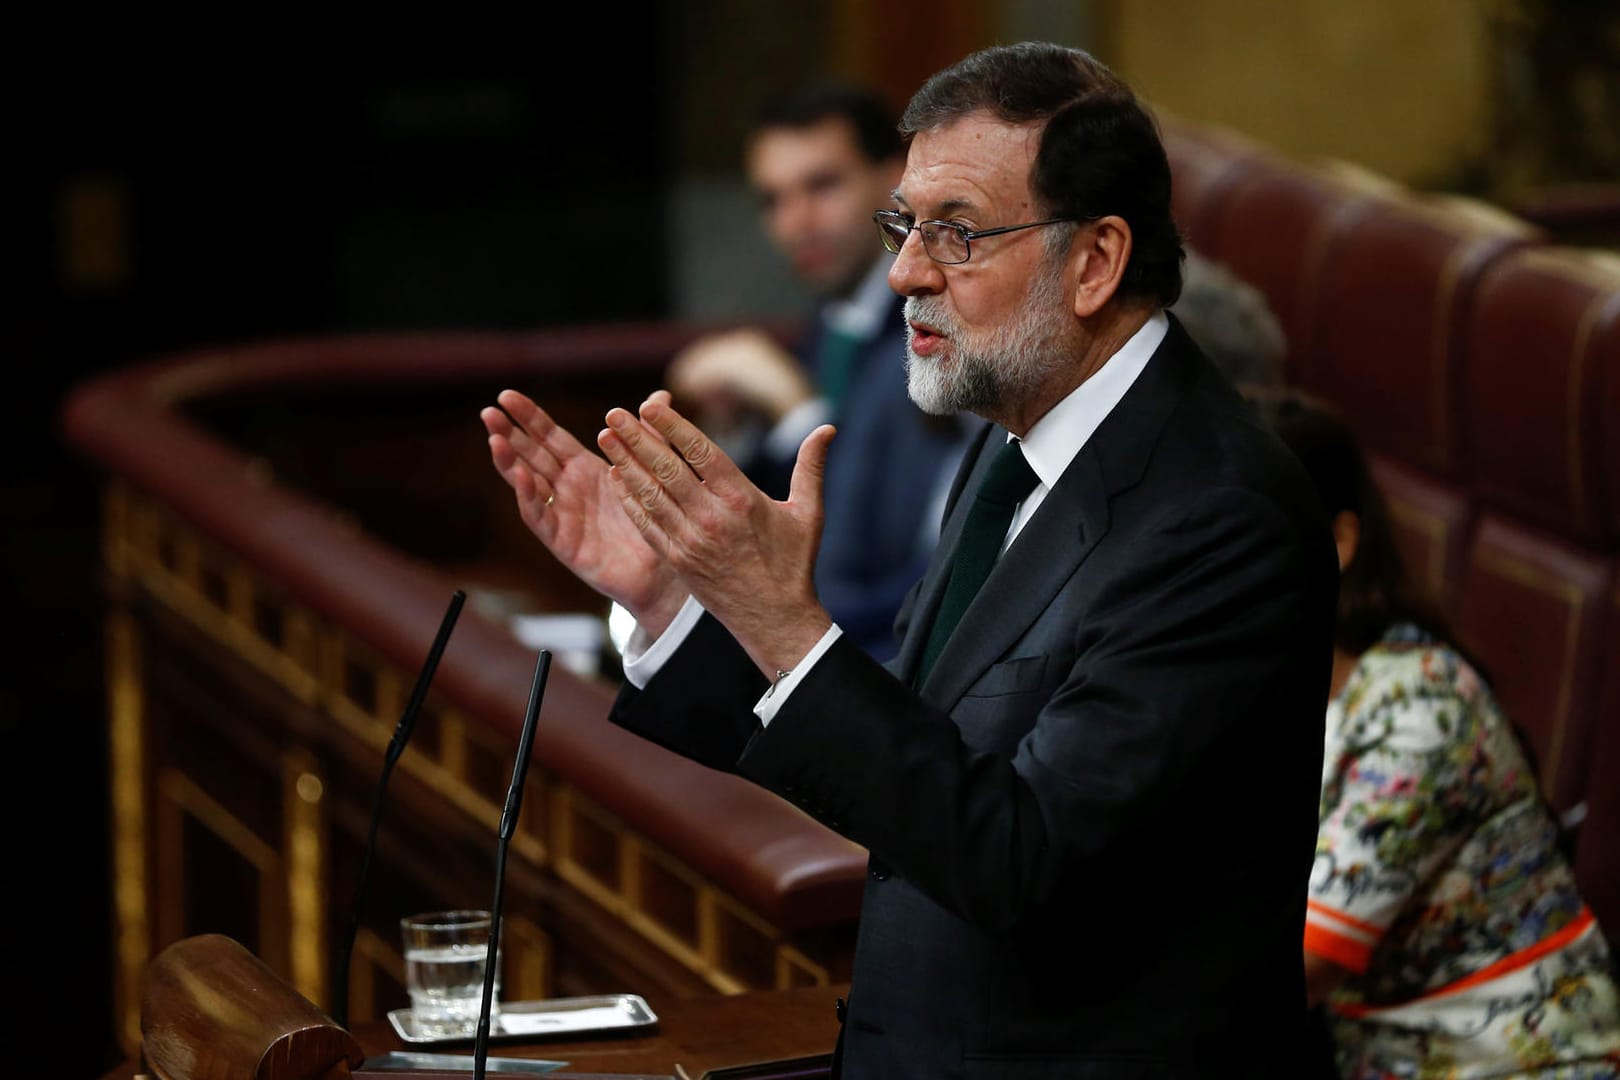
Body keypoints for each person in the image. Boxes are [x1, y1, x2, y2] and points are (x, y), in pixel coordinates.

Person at [482, 42, 1338, 1076]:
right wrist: (676, 598)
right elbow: (915, 750)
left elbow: (1017, 857)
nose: (903, 273)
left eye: (957, 234)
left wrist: (788, 622)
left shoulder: (1217, 516)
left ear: (1097, 262)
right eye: (904, 225)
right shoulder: (1017, 435)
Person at [1253, 388, 1620, 1078]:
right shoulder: (1242, 688)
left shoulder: (1421, 711)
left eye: (1235, 537)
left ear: (1337, 543)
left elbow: (1295, 969)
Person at [666, 78, 975, 661]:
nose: (797, 221)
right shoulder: (833, 319)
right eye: (773, 200)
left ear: (896, 182)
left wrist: (796, 411)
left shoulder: (941, 324)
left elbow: (884, 561)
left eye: (822, 185)